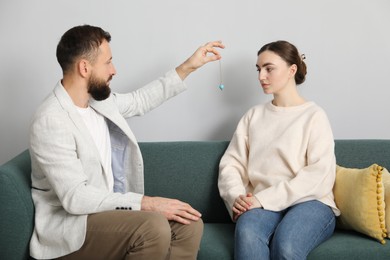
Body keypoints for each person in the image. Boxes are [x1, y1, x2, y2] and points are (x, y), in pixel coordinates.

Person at [29, 24, 224, 260]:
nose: (114, 70)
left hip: (106, 214)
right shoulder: (51, 120)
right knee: (152, 228)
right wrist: (146, 203)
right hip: (72, 227)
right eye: (108, 62)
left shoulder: (98, 101)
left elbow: (140, 100)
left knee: (188, 223)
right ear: (84, 67)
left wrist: (188, 67)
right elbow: (76, 198)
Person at [218, 40, 340, 260]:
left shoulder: (314, 116)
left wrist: (264, 199)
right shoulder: (253, 116)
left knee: (287, 244)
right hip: (260, 203)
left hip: (310, 202)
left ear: (292, 70)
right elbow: (231, 164)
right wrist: (237, 196)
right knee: (247, 233)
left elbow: (319, 173)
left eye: (269, 68)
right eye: (258, 69)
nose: (261, 76)